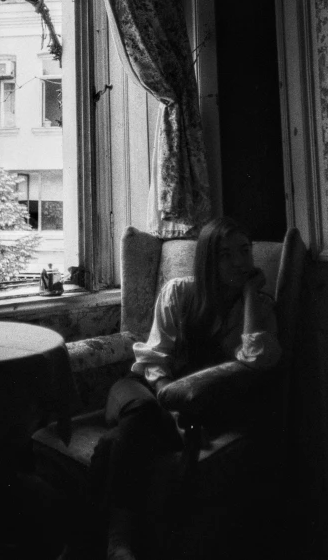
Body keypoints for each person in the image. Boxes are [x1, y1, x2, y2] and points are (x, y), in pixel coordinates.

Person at [90, 216, 282, 560]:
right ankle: (116, 543)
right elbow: (153, 361)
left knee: (111, 445)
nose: (240, 261)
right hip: (140, 390)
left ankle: (102, 542)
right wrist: (173, 405)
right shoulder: (179, 292)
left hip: (188, 409)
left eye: (244, 250)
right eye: (226, 254)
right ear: (208, 260)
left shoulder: (260, 307)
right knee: (143, 410)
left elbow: (256, 360)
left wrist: (251, 295)